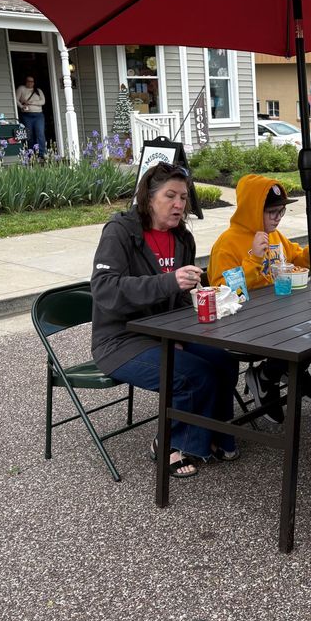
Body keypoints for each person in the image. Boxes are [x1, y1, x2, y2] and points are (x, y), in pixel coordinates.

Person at [91, 162, 239, 477]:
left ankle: (215, 432)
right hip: (121, 340)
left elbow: (181, 296)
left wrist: (190, 321)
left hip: (167, 334)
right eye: (170, 196)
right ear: (148, 198)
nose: (178, 204)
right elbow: (104, 289)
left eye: (183, 197)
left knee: (224, 362)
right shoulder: (120, 232)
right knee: (192, 374)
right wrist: (169, 281)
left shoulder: (182, 238)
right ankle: (170, 444)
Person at [207, 174, 311, 419]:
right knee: (304, 334)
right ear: (252, 211)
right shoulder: (228, 243)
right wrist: (253, 258)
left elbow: (294, 258)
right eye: (272, 212)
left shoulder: (274, 236)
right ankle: (270, 374)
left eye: (281, 211)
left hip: (276, 315)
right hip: (245, 323)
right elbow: (223, 292)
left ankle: (283, 372)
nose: (277, 217)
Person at [15, 75, 46, 157]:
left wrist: (32, 102)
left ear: (34, 82)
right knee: (29, 135)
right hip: (27, 115)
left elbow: (43, 101)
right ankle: (31, 154)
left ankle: (42, 154)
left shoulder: (38, 90)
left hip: (38, 115)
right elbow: (16, 99)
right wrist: (21, 106)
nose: (30, 83)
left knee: (40, 134)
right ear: (25, 82)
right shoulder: (21, 88)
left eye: (32, 81)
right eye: (28, 81)